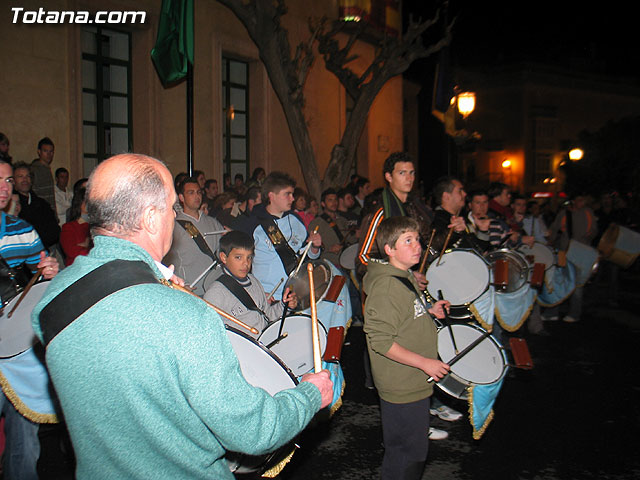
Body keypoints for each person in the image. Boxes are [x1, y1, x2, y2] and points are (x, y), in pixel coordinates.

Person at [31, 153, 332, 479]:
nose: (175, 219)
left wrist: (150, 279)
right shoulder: (188, 316)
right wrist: (309, 395)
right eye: (171, 209)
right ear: (150, 218)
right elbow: (253, 431)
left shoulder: (53, 298)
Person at [363, 216, 451, 480]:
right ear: (389, 249)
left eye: (417, 239)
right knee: (406, 455)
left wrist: (430, 312)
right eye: (408, 241)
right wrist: (425, 363)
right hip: (402, 384)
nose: (417, 246)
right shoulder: (388, 286)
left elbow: (405, 316)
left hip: (412, 380)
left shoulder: (403, 276)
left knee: (412, 452)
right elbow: (381, 341)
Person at [0, 158, 60, 480]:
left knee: (24, 439)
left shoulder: (22, 230)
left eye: (8, 181)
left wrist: (49, 271)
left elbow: (42, 273)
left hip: (17, 346)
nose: (4, 188)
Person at [203, 230, 297, 337]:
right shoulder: (216, 294)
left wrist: (285, 306)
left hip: (265, 341)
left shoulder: (254, 282)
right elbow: (208, 332)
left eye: (249, 257)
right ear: (224, 258)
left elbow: (268, 315)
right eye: (238, 257)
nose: (246, 263)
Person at [251, 172, 322, 301]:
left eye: (292, 194)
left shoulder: (295, 220)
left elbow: (306, 253)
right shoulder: (253, 224)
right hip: (267, 296)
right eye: (287, 194)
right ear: (271, 196)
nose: (292, 199)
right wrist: (257, 293)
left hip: (295, 294)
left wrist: (315, 247)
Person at [163, 176, 226, 295]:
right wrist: (178, 285)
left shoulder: (213, 223)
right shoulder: (174, 226)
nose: (196, 196)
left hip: (216, 289)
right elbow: (166, 261)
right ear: (181, 197)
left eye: (198, 192)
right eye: (191, 193)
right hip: (190, 290)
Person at [14, 162, 61, 250]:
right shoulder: (10, 205)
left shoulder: (42, 204)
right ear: (13, 181)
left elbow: (54, 231)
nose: (25, 180)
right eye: (20, 176)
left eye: (27, 176)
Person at [60, 187, 91, 266]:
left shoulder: (97, 226)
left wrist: (85, 246)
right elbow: (72, 251)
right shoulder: (69, 227)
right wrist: (89, 248)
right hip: (76, 268)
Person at [30, 137, 57, 210]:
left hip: (49, 211)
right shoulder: (34, 169)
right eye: (45, 151)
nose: (49, 154)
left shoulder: (47, 169)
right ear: (39, 152)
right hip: (39, 211)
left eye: (51, 151)